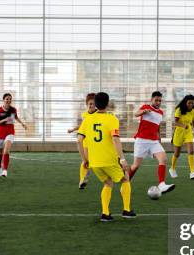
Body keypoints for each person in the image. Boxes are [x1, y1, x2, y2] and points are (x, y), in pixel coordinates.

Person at [77, 92, 136, 222]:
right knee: (125, 179)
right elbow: (115, 140)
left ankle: (105, 213)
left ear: (96, 104)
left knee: (108, 182)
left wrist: (84, 159)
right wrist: (122, 159)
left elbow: (79, 140)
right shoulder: (112, 119)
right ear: (108, 103)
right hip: (109, 160)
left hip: (94, 162)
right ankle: (126, 210)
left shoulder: (87, 120)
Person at [128, 91, 175, 194]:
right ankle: (126, 181)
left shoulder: (161, 113)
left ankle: (162, 184)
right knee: (135, 166)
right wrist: (143, 111)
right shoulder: (146, 107)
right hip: (142, 141)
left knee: (163, 159)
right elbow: (136, 114)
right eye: (156, 100)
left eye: (159, 100)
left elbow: (157, 127)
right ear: (151, 100)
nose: (158, 102)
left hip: (154, 141)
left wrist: (159, 138)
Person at [169, 95, 194, 180]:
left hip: (188, 132)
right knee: (177, 154)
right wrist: (183, 125)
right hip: (179, 132)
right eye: (189, 103)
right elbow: (175, 122)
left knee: (191, 151)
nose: (191, 104)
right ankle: (172, 169)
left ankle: (192, 172)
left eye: (192, 103)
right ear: (185, 102)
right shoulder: (179, 110)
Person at [68, 93, 97, 189]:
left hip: (96, 142)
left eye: (92, 104)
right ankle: (82, 180)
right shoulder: (85, 114)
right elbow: (82, 126)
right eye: (89, 104)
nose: (90, 105)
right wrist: (73, 129)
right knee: (85, 160)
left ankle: (86, 177)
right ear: (86, 104)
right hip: (86, 141)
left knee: (93, 161)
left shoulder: (98, 114)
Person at [0, 93, 27, 177]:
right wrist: (5, 119)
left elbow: (16, 117)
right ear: (3, 100)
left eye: (10, 99)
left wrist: (22, 123)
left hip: (10, 133)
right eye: (7, 99)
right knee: (0, 153)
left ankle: (5, 170)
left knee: (6, 150)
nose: (8, 100)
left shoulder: (13, 109)